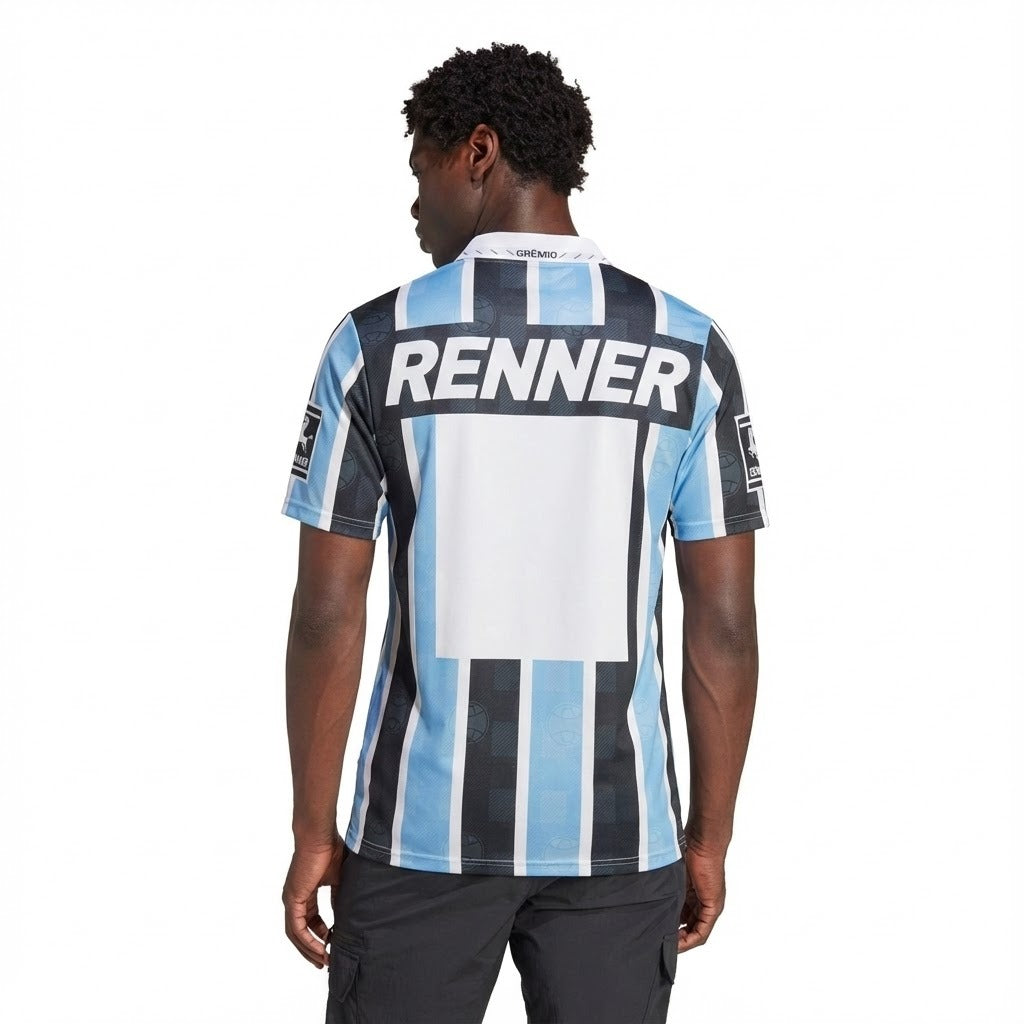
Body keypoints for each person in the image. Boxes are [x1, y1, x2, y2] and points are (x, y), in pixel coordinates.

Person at [280, 42, 768, 1024]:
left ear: (478, 152)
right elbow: (722, 622)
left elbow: (330, 611)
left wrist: (311, 828)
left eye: (419, 169)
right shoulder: (688, 348)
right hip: (620, 836)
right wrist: (708, 836)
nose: (413, 203)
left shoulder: (375, 342)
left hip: (417, 832)